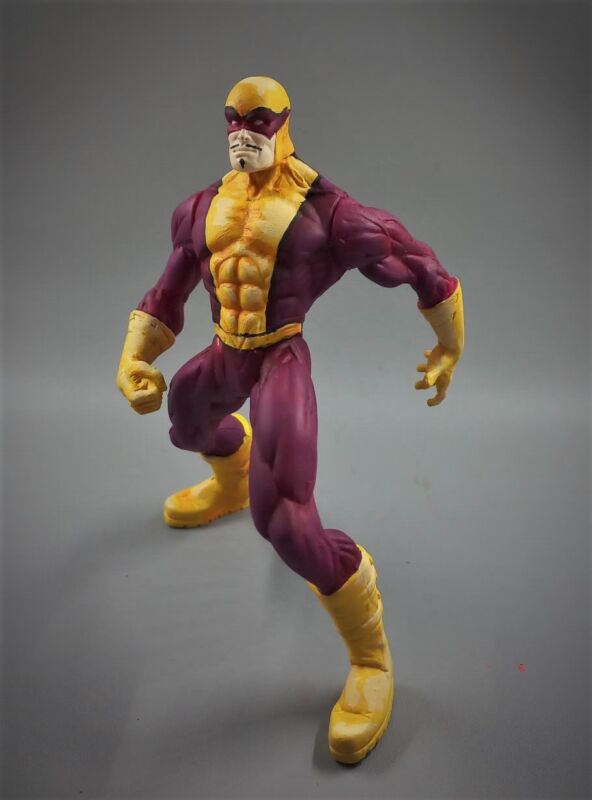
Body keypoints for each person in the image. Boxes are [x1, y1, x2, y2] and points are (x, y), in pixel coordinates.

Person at [116, 76, 464, 764]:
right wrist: (133, 356)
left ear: (285, 122)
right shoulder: (202, 208)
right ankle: (230, 478)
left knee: (285, 523)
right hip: (225, 352)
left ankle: (371, 659)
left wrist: (449, 344)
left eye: (259, 119)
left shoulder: (327, 215)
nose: (243, 131)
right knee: (186, 422)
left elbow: (419, 264)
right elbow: (166, 292)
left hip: (280, 357)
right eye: (233, 118)